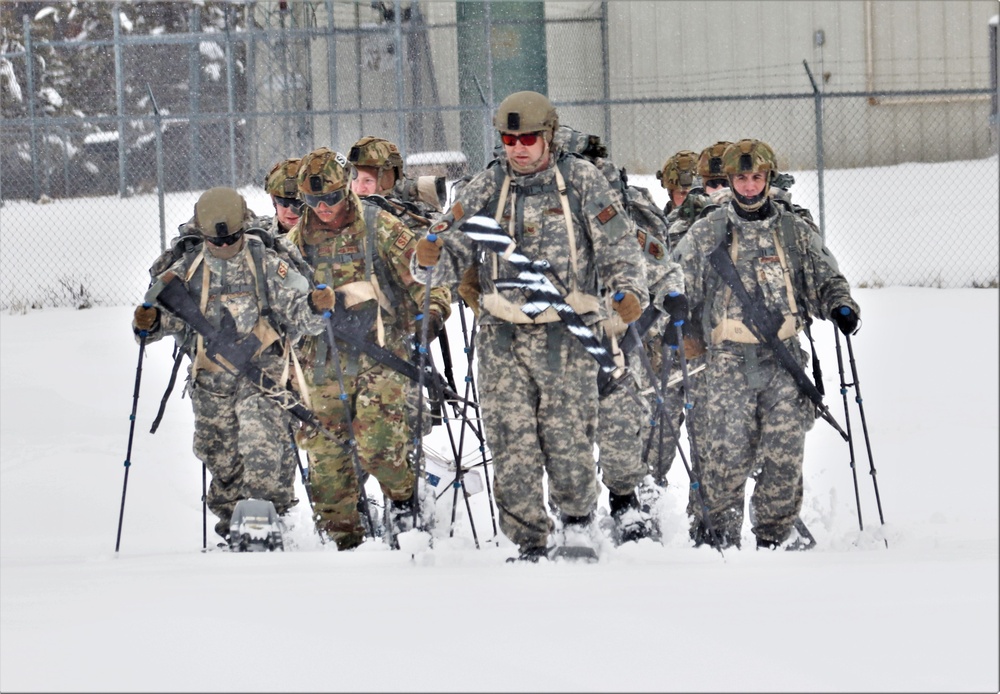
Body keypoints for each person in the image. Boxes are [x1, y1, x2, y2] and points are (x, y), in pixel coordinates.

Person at [411, 91, 649, 561]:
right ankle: (528, 541)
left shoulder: (582, 181)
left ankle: (578, 523)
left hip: (568, 333)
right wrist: (428, 261)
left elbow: (619, 248)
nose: (518, 148)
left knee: (568, 437)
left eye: (528, 139)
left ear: (549, 136)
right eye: (509, 138)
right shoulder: (485, 187)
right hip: (502, 335)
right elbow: (448, 251)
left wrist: (628, 292)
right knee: (511, 442)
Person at [671, 139, 861, 551]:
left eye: (757, 177)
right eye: (742, 177)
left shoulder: (793, 231)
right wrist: (674, 312)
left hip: (784, 360)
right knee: (725, 458)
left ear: (769, 178)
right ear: (731, 180)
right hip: (726, 363)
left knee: (784, 456)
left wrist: (841, 306)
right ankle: (717, 541)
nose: (750, 186)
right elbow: (675, 280)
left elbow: (826, 278)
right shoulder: (708, 231)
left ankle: (775, 539)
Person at [132, 187, 333, 542]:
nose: (224, 247)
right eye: (216, 242)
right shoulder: (186, 271)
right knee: (221, 458)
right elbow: (164, 321)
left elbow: (303, 317)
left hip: (263, 376)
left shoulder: (267, 264)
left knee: (262, 442)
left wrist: (316, 307)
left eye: (232, 240)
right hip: (211, 380)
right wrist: (149, 325)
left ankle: (266, 516)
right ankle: (232, 529)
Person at [285, 147, 452, 551]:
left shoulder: (379, 226)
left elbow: (428, 281)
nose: (323, 209)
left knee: (381, 447)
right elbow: (283, 310)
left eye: (331, 199)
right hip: (322, 365)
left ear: (347, 190)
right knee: (327, 472)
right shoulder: (292, 246)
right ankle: (346, 544)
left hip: (383, 355)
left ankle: (407, 507)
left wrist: (427, 319)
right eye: (312, 202)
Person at [551, 124, 685, 544]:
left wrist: (670, 294)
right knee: (564, 432)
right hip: (555, 341)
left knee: (621, 427)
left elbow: (657, 263)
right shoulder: (543, 210)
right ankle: (572, 515)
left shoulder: (616, 212)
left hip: (613, 340)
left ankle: (625, 504)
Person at [347, 135, 447, 230]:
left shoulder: (402, 207)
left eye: (368, 181)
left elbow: (437, 231)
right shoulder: (340, 208)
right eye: (355, 180)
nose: (359, 188)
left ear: (387, 181)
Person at [261, 157, 304, 236]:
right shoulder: (261, 236)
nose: (291, 210)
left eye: (299, 203)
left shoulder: (330, 241)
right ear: (273, 200)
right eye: (284, 202)